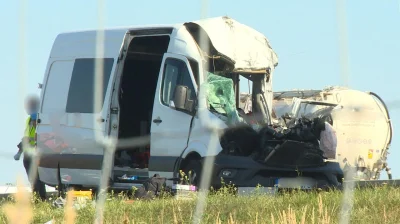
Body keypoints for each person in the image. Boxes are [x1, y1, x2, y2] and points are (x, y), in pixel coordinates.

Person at [14, 95, 47, 201]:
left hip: (37, 154)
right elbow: (26, 137)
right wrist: (19, 151)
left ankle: (41, 199)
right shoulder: (28, 120)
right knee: (32, 180)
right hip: (28, 155)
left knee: (38, 180)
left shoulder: (42, 120)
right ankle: (37, 199)